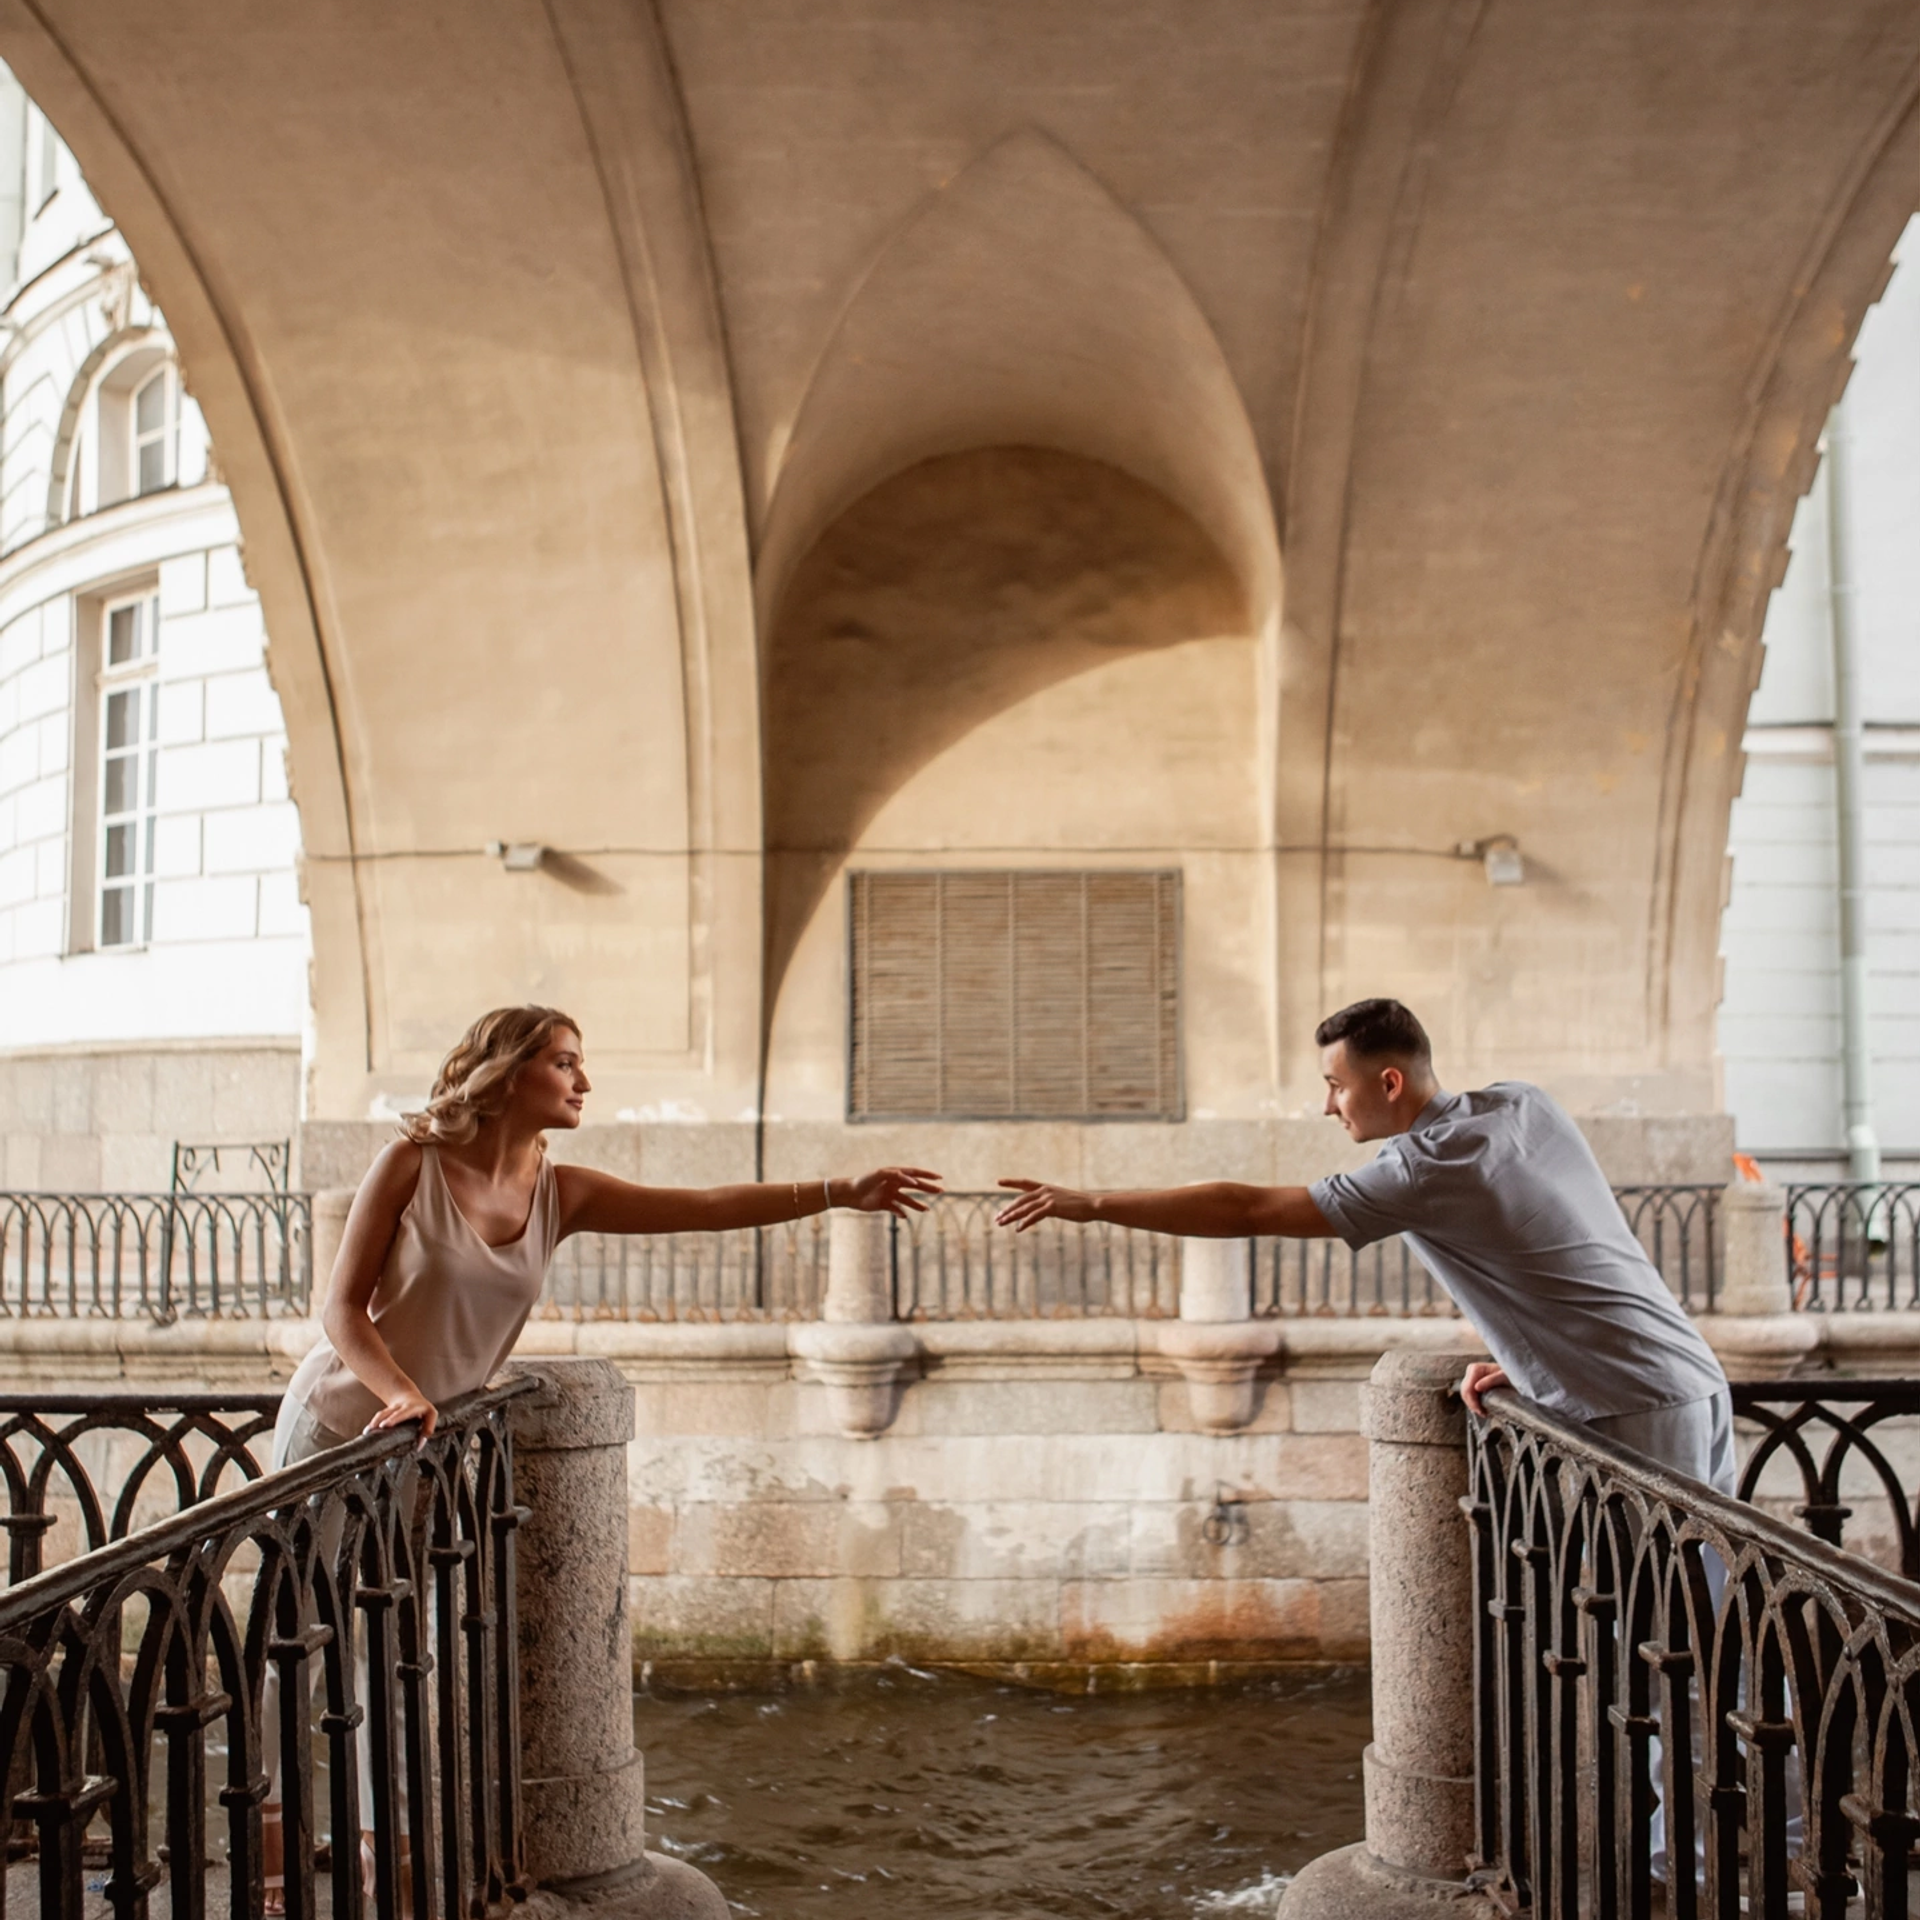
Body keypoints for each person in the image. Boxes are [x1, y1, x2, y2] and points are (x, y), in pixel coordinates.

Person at [261, 1003, 940, 1911]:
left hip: (424, 1444)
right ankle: (271, 1835)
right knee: (300, 1642)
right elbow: (341, 1312)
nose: (584, 1081)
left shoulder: (558, 1189)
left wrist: (837, 1191)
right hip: (343, 1425)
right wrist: (399, 1391)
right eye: (565, 1062)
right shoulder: (411, 1165)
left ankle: (392, 1850)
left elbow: (702, 1209)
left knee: (393, 1653)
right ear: (507, 1075)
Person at [996, 995, 1731, 1484]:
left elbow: (1248, 1210)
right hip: (1687, 1373)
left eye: (1335, 1085)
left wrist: (1090, 1202)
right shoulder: (1522, 1105)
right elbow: (1562, 1248)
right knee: (1709, 1614)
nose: (1326, 1106)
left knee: (1655, 1639)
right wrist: (1534, 1363)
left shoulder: (1422, 1170)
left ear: (1386, 1082)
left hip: (1628, 1404)